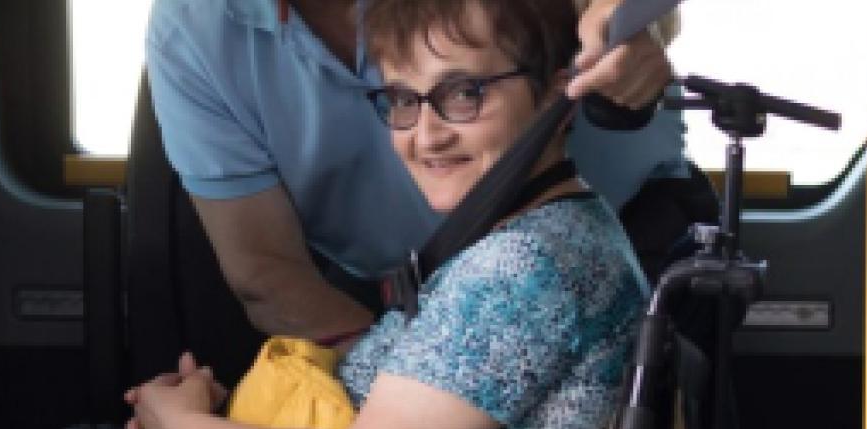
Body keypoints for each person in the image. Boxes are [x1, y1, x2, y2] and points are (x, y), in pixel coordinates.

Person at [2, 0, 651, 429]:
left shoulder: (523, 269)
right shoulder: (524, 237)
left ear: (557, 96)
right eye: (403, 101)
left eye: (465, 94)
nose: (426, 134)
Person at [145, 0, 685, 348]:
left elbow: (635, 16)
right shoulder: (191, 28)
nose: (425, 134)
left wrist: (636, 25)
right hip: (412, 293)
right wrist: (397, 382)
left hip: (626, 230)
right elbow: (265, 269)